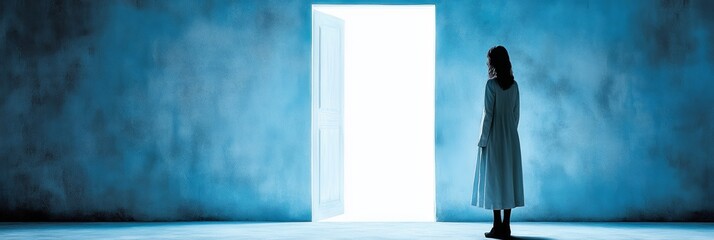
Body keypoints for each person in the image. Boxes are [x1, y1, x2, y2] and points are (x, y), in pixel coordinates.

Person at [472, 45, 524, 239]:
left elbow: (488, 115)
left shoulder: (491, 86)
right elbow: (516, 115)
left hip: (494, 138)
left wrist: (482, 140)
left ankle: (496, 225)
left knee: (494, 180)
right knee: (508, 179)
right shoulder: (515, 86)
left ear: (493, 63)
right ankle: (507, 226)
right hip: (511, 138)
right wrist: (510, 131)